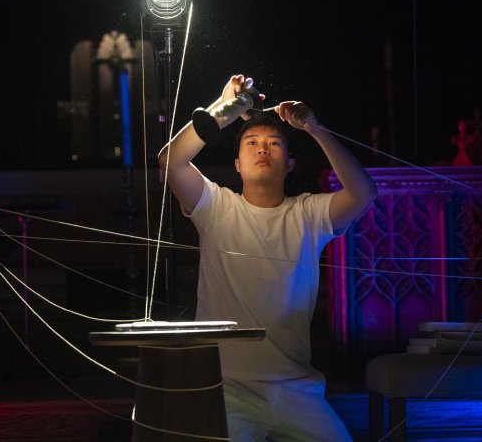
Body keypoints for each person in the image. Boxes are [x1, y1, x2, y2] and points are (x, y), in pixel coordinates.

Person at [158, 74, 378, 441]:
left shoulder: (308, 213)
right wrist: (222, 112)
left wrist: (314, 128)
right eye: (252, 143)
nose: (263, 148)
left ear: (290, 164)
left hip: (297, 389)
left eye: (274, 143)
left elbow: (363, 193)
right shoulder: (216, 207)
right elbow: (171, 161)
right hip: (227, 389)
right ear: (238, 165)